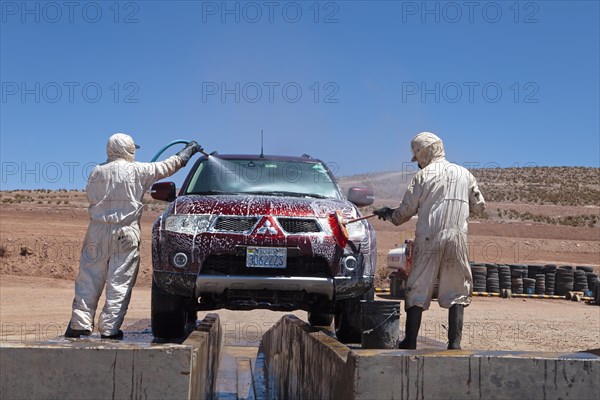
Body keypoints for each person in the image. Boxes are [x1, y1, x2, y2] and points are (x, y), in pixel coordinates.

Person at [65, 133, 202, 339]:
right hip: (125, 231)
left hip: (96, 231)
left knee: (89, 278)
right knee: (119, 281)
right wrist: (189, 150)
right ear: (129, 149)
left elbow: (90, 195)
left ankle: (79, 325)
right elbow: (170, 165)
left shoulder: (96, 172)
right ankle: (110, 329)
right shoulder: (138, 170)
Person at [374, 132, 485, 350]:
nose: (418, 164)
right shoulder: (465, 174)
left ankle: (410, 341)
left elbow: (403, 214)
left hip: (428, 239)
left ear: (425, 153)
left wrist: (388, 213)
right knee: (457, 289)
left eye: (419, 159)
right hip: (457, 239)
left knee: (417, 288)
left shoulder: (423, 177)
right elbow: (480, 206)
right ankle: (454, 344)